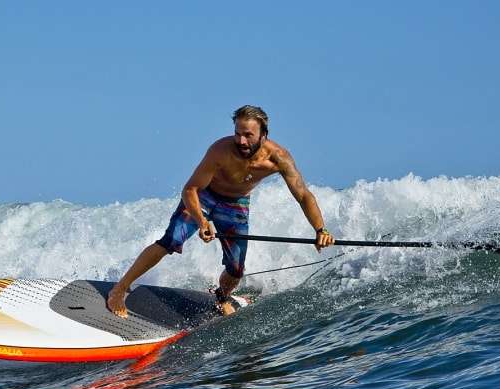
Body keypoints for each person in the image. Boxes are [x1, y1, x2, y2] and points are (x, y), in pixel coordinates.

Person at [107, 105, 334, 317]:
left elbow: (303, 195)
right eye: (238, 133)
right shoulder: (221, 150)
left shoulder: (279, 159)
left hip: (235, 204)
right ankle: (120, 288)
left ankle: (222, 296)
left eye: (248, 135)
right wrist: (202, 222)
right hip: (204, 196)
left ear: (264, 134)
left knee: (236, 270)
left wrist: (320, 229)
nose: (241, 140)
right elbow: (190, 189)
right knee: (171, 239)